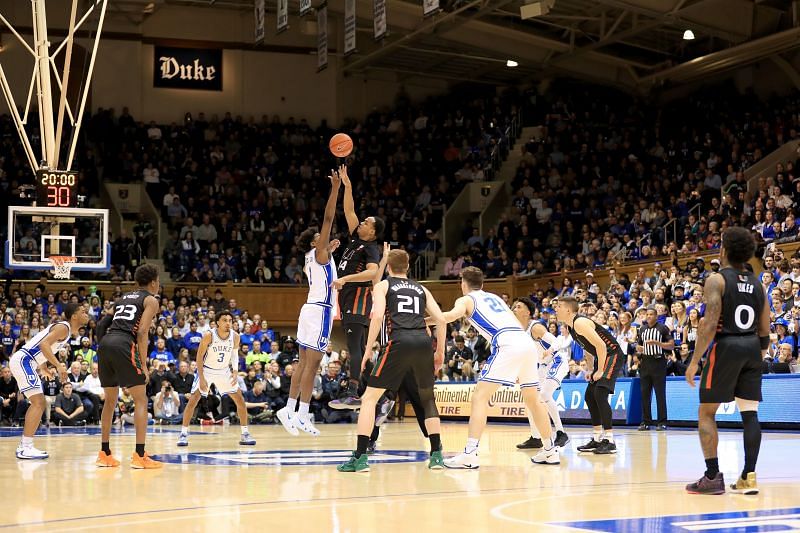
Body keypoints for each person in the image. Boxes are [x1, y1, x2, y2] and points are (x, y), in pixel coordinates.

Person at [337, 249, 446, 472]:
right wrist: (440, 352)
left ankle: (359, 458)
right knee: (427, 400)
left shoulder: (384, 286)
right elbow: (441, 319)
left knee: (369, 398)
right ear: (408, 267)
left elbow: (377, 316)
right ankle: (436, 455)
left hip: (399, 342)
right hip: (423, 344)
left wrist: (367, 349)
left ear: (388, 268)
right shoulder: (421, 288)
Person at [440, 267, 558, 468]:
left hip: (506, 344)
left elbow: (449, 316)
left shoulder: (466, 299)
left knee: (480, 396)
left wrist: (423, 319)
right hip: (525, 343)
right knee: (534, 400)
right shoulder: (495, 298)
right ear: (482, 284)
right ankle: (550, 450)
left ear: (463, 283)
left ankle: (470, 453)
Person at [685, 227, 768, 496]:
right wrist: (759, 354)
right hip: (753, 347)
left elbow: (709, 324)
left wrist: (695, 360)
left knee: (706, 412)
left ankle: (712, 477)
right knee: (750, 414)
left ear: (724, 250)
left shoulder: (717, 280)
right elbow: (765, 328)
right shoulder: (759, 284)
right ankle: (749, 476)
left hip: (726, 346)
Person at [277, 168, 341, 436]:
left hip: (310, 310)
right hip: (320, 312)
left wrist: (329, 252)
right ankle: (301, 414)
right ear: (316, 242)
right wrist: (335, 188)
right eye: (321, 238)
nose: (324, 237)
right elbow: (328, 217)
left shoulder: (311, 258)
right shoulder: (319, 252)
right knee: (313, 366)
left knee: (304, 364)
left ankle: (290, 410)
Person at [95, 264, 162, 469]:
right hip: (124, 343)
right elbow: (142, 332)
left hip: (105, 344)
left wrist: (104, 346)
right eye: (158, 281)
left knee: (110, 401)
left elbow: (100, 326)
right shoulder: (151, 300)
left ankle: (104, 453)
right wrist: (143, 365)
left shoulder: (121, 298)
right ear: (153, 282)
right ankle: (139, 455)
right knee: (141, 400)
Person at [329, 165, 384, 409]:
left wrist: (346, 279)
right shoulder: (355, 239)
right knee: (360, 350)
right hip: (348, 298)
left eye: (365, 222)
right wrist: (347, 186)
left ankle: (352, 392)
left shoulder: (371, 248)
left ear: (372, 232)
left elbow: (373, 273)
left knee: (354, 348)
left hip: (358, 299)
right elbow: (348, 209)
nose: (360, 222)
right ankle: (384, 394)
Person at [9, 302, 88, 459]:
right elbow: (43, 344)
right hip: (24, 360)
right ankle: (25, 447)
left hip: (28, 360)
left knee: (39, 403)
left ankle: (26, 446)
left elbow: (40, 344)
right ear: (74, 316)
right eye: (83, 312)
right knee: (39, 403)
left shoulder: (65, 330)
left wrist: (43, 366)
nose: (87, 314)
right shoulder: (63, 328)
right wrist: (58, 365)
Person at [554, 295, 625, 456]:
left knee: (600, 394)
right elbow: (588, 347)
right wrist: (592, 369)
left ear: (567, 309)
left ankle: (610, 440)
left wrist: (600, 370)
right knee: (589, 396)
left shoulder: (580, 322)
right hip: (602, 357)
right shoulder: (571, 326)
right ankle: (597, 438)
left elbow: (600, 344)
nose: (555, 309)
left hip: (612, 354)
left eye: (558, 306)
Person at [177, 310, 254, 446]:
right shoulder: (209, 335)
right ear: (217, 322)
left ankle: (245, 434)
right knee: (193, 400)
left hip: (224, 371)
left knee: (240, 400)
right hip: (206, 370)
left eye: (230, 321)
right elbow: (199, 357)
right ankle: (183, 434)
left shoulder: (235, 336)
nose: (228, 323)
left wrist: (235, 371)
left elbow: (235, 355)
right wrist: (201, 378)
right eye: (224, 320)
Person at [511, 298, 570, 450]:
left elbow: (557, 342)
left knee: (544, 396)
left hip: (557, 360)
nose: (514, 308)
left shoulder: (534, 327)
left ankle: (561, 433)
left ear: (527, 312)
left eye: (518, 306)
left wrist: (550, 350)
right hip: (542, 366)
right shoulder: (517, 330)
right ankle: (536, 437)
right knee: (531, 399)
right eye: (514, 306)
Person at [636, 307, 674, 431]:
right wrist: (639, 349)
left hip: (658, 362)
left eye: (651, 314)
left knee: (659, 394)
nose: (649, 316)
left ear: (656, 316)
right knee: (644, 394)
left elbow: (671, 345)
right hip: (645, 362)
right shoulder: (642, 329)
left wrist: (657, 344)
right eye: (647, 314)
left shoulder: (662, 328)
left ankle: (662, 422)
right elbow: (639, 345)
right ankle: (645, 422)